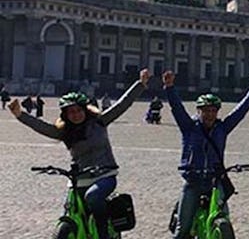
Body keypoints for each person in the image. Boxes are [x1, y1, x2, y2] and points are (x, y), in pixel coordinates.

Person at [7, 69, 149, 239]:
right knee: (72, 208)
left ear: (85, 110)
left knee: (93, 196)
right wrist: (20, 115)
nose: (75, 115)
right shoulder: (65, 131)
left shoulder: (100, 122)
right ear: (65, 115)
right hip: (79, 178)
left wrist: (140, 84)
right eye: (71, 112)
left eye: (78, 110)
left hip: (105, 175)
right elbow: (43, 127)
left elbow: (122, 104)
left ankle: (103, 233)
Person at [165, 71, 249, 239]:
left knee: (223, 217)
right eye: (206, 111)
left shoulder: (222, 129)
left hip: (215, 182)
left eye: (213, 111)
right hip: (193, 182)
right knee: (182, 229)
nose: (210, 114)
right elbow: (177, 108)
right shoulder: (189, 127)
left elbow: (240, 112)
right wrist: (169, 87)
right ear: (199, 111)